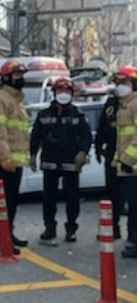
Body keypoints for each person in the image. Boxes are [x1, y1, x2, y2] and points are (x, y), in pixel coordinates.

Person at [30, 76, 92, 243]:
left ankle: (71, 228)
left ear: (71, 93)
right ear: (54, 93)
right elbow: (35, 136)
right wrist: (32, 155)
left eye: (66, 91)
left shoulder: (78, 115)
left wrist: (83, 152)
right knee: (48, 198)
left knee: (72, 198)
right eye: (60, 91)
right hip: (50, 162)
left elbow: (86, 137)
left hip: (71, 163)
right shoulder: (43, 115)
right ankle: (49, 227)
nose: (63, 94)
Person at [0, 59, 30, 251]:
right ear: (6, 77)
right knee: (5, 203)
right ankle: (4, 238)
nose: (20, 78)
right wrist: (5, 157)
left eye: (21, 75)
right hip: (4, 162)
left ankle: (8, 234)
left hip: (14, 162)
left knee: (12, 203)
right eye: (17, 75)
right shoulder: (0, 100)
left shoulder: (16, 101)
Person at [112, 66, 137, 258]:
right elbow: (122, 139)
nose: (120, 86)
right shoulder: (124, 105)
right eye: (118, 83)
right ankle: (132, 240)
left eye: (124, 83)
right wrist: (117, 161)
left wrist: (128, 159)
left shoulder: (135, 104)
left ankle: (135, 242)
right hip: (127, 168)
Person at [94, 88, 125, 239]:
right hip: (112, 156)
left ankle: (133, 235)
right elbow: (102, 126)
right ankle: (114, 228)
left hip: (130, 157)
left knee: (131, 198)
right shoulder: (111, 104)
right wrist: (99, 147)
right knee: (112, 195)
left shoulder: (133, 104)